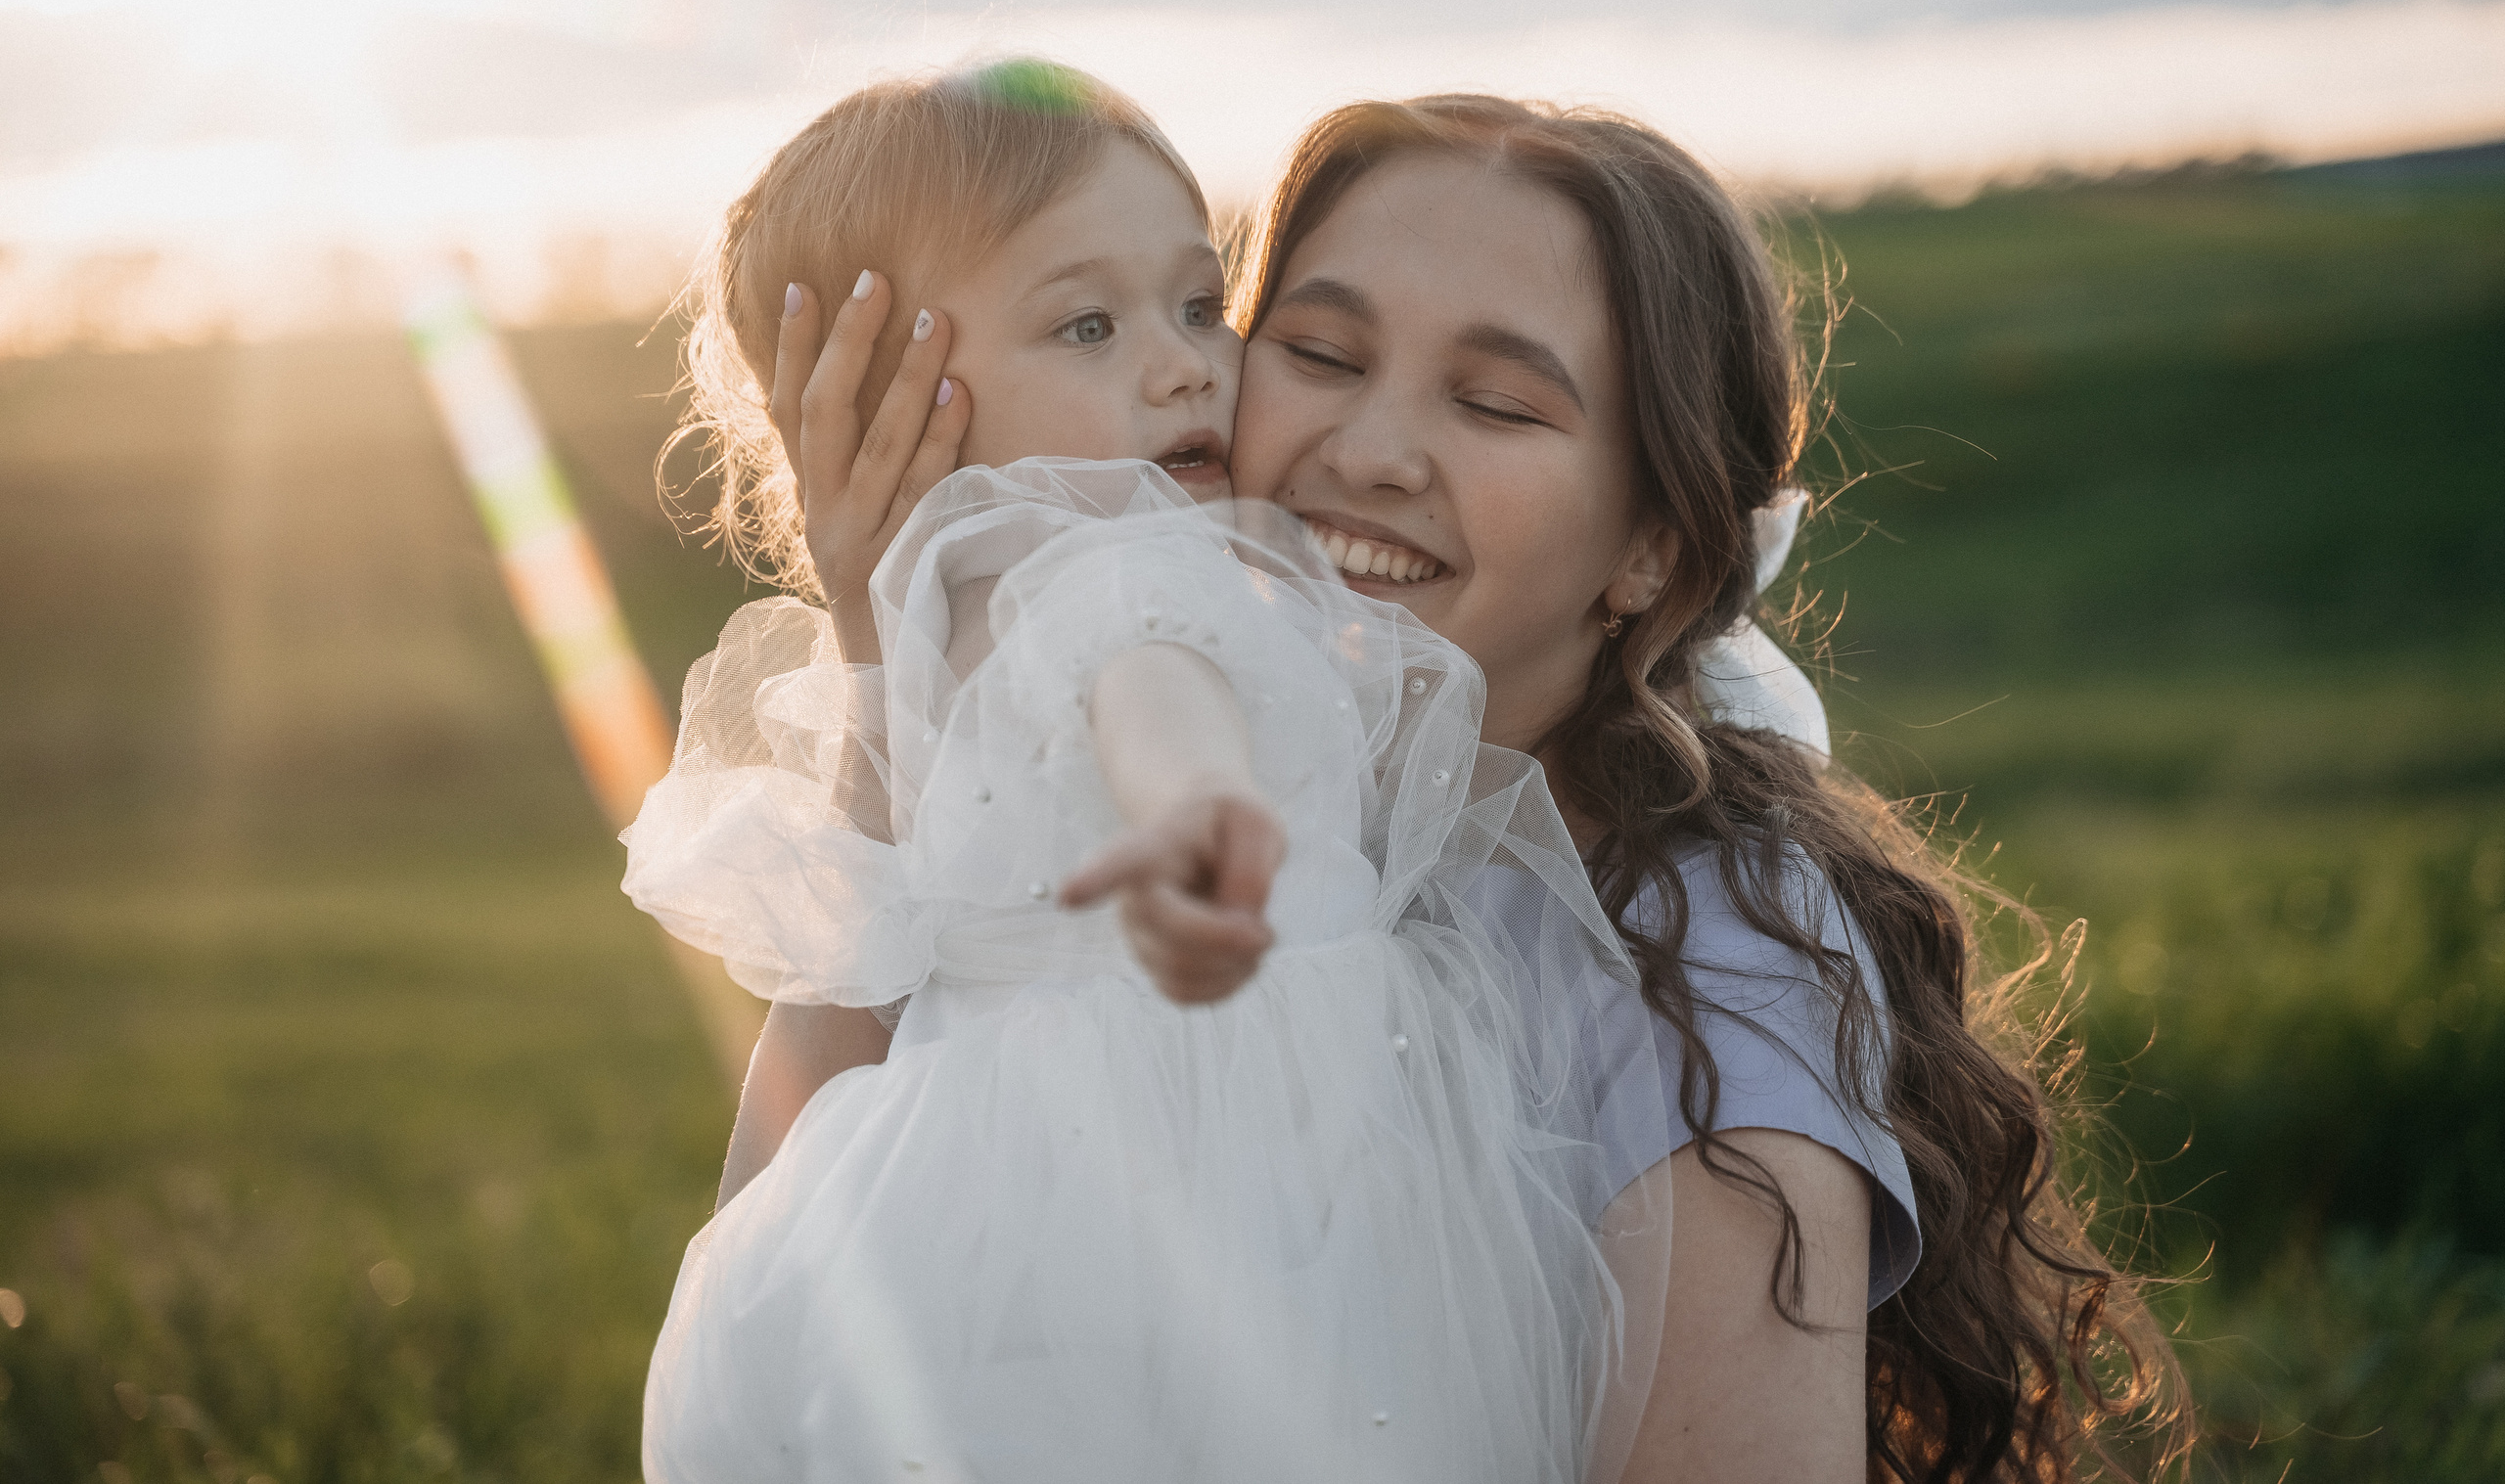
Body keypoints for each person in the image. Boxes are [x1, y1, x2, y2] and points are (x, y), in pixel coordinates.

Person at [760, 85, 2196, 1480]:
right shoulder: (1235, 806)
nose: (1369, 454)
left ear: (1655, 551)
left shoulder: (1700, 969)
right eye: (1318, 352)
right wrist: (898, 655)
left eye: (1497, 404)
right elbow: (784, 1282)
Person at [621, 61, 1670, 1483]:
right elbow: (1152, 681)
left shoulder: (974, 631)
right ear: (890, 404)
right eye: (1090, 325)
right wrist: (1203, 811)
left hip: (1006, 1198)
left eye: (1198, 304)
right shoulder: (1113, 572)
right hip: (1195, 1174)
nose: (1186, 367)